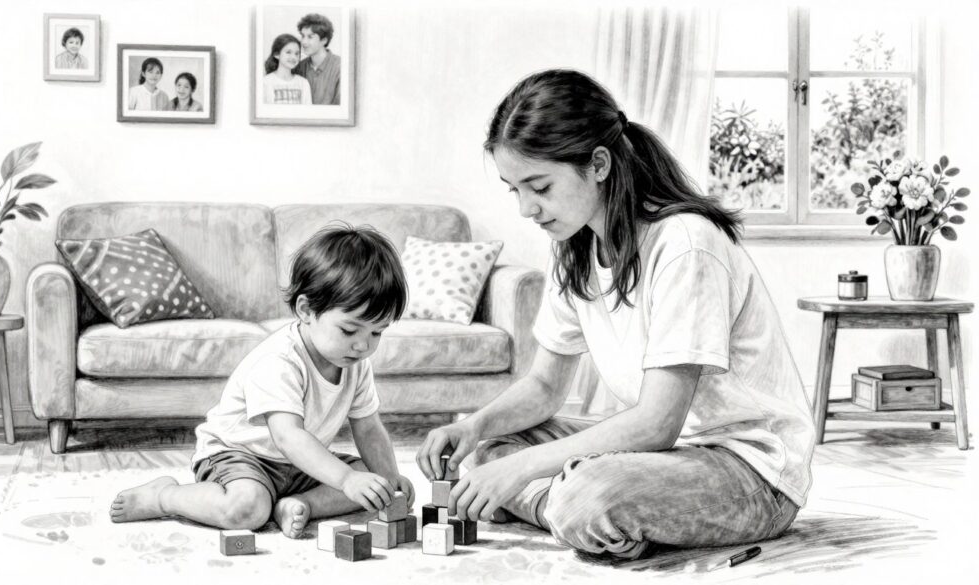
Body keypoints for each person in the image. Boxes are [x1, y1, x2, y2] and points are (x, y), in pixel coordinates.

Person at [416, 69, 815, 559]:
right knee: (489, 452)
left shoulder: (685, 243)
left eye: (539, 187)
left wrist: (523, 471)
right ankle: (583, 511)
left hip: (748, 470)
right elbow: (544, 386)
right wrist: (473, 426)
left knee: (581, 494)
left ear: (599, 164)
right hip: (661, 457)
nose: (526, 208)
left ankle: (574, 507)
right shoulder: (574, 245)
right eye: (514, 189)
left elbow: (657, 424)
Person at [110, 224, 416, 539]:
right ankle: (165, 496)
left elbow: (368, 428)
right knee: (248, 509)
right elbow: (288, 437)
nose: (363, 345)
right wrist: (347, 480)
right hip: (240, 457)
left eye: (377, 332)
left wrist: (388, 480)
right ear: (306, 310)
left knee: (369, 478)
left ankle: (299, 504)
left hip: (299, 465)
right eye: (349, 330)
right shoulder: (279, 361)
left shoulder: (354, 362)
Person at [294, 14, 341, 105]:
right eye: (303, 36)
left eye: (310, 37)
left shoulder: (340, 66)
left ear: (324, 40)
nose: (304, 42)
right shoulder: (299, 67)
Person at [263, 33, 313, 105]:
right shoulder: (265, 82)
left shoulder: (303, 83)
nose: (293, 57)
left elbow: (307, 110)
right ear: (276, 54)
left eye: (297, 53)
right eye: (288, 52)